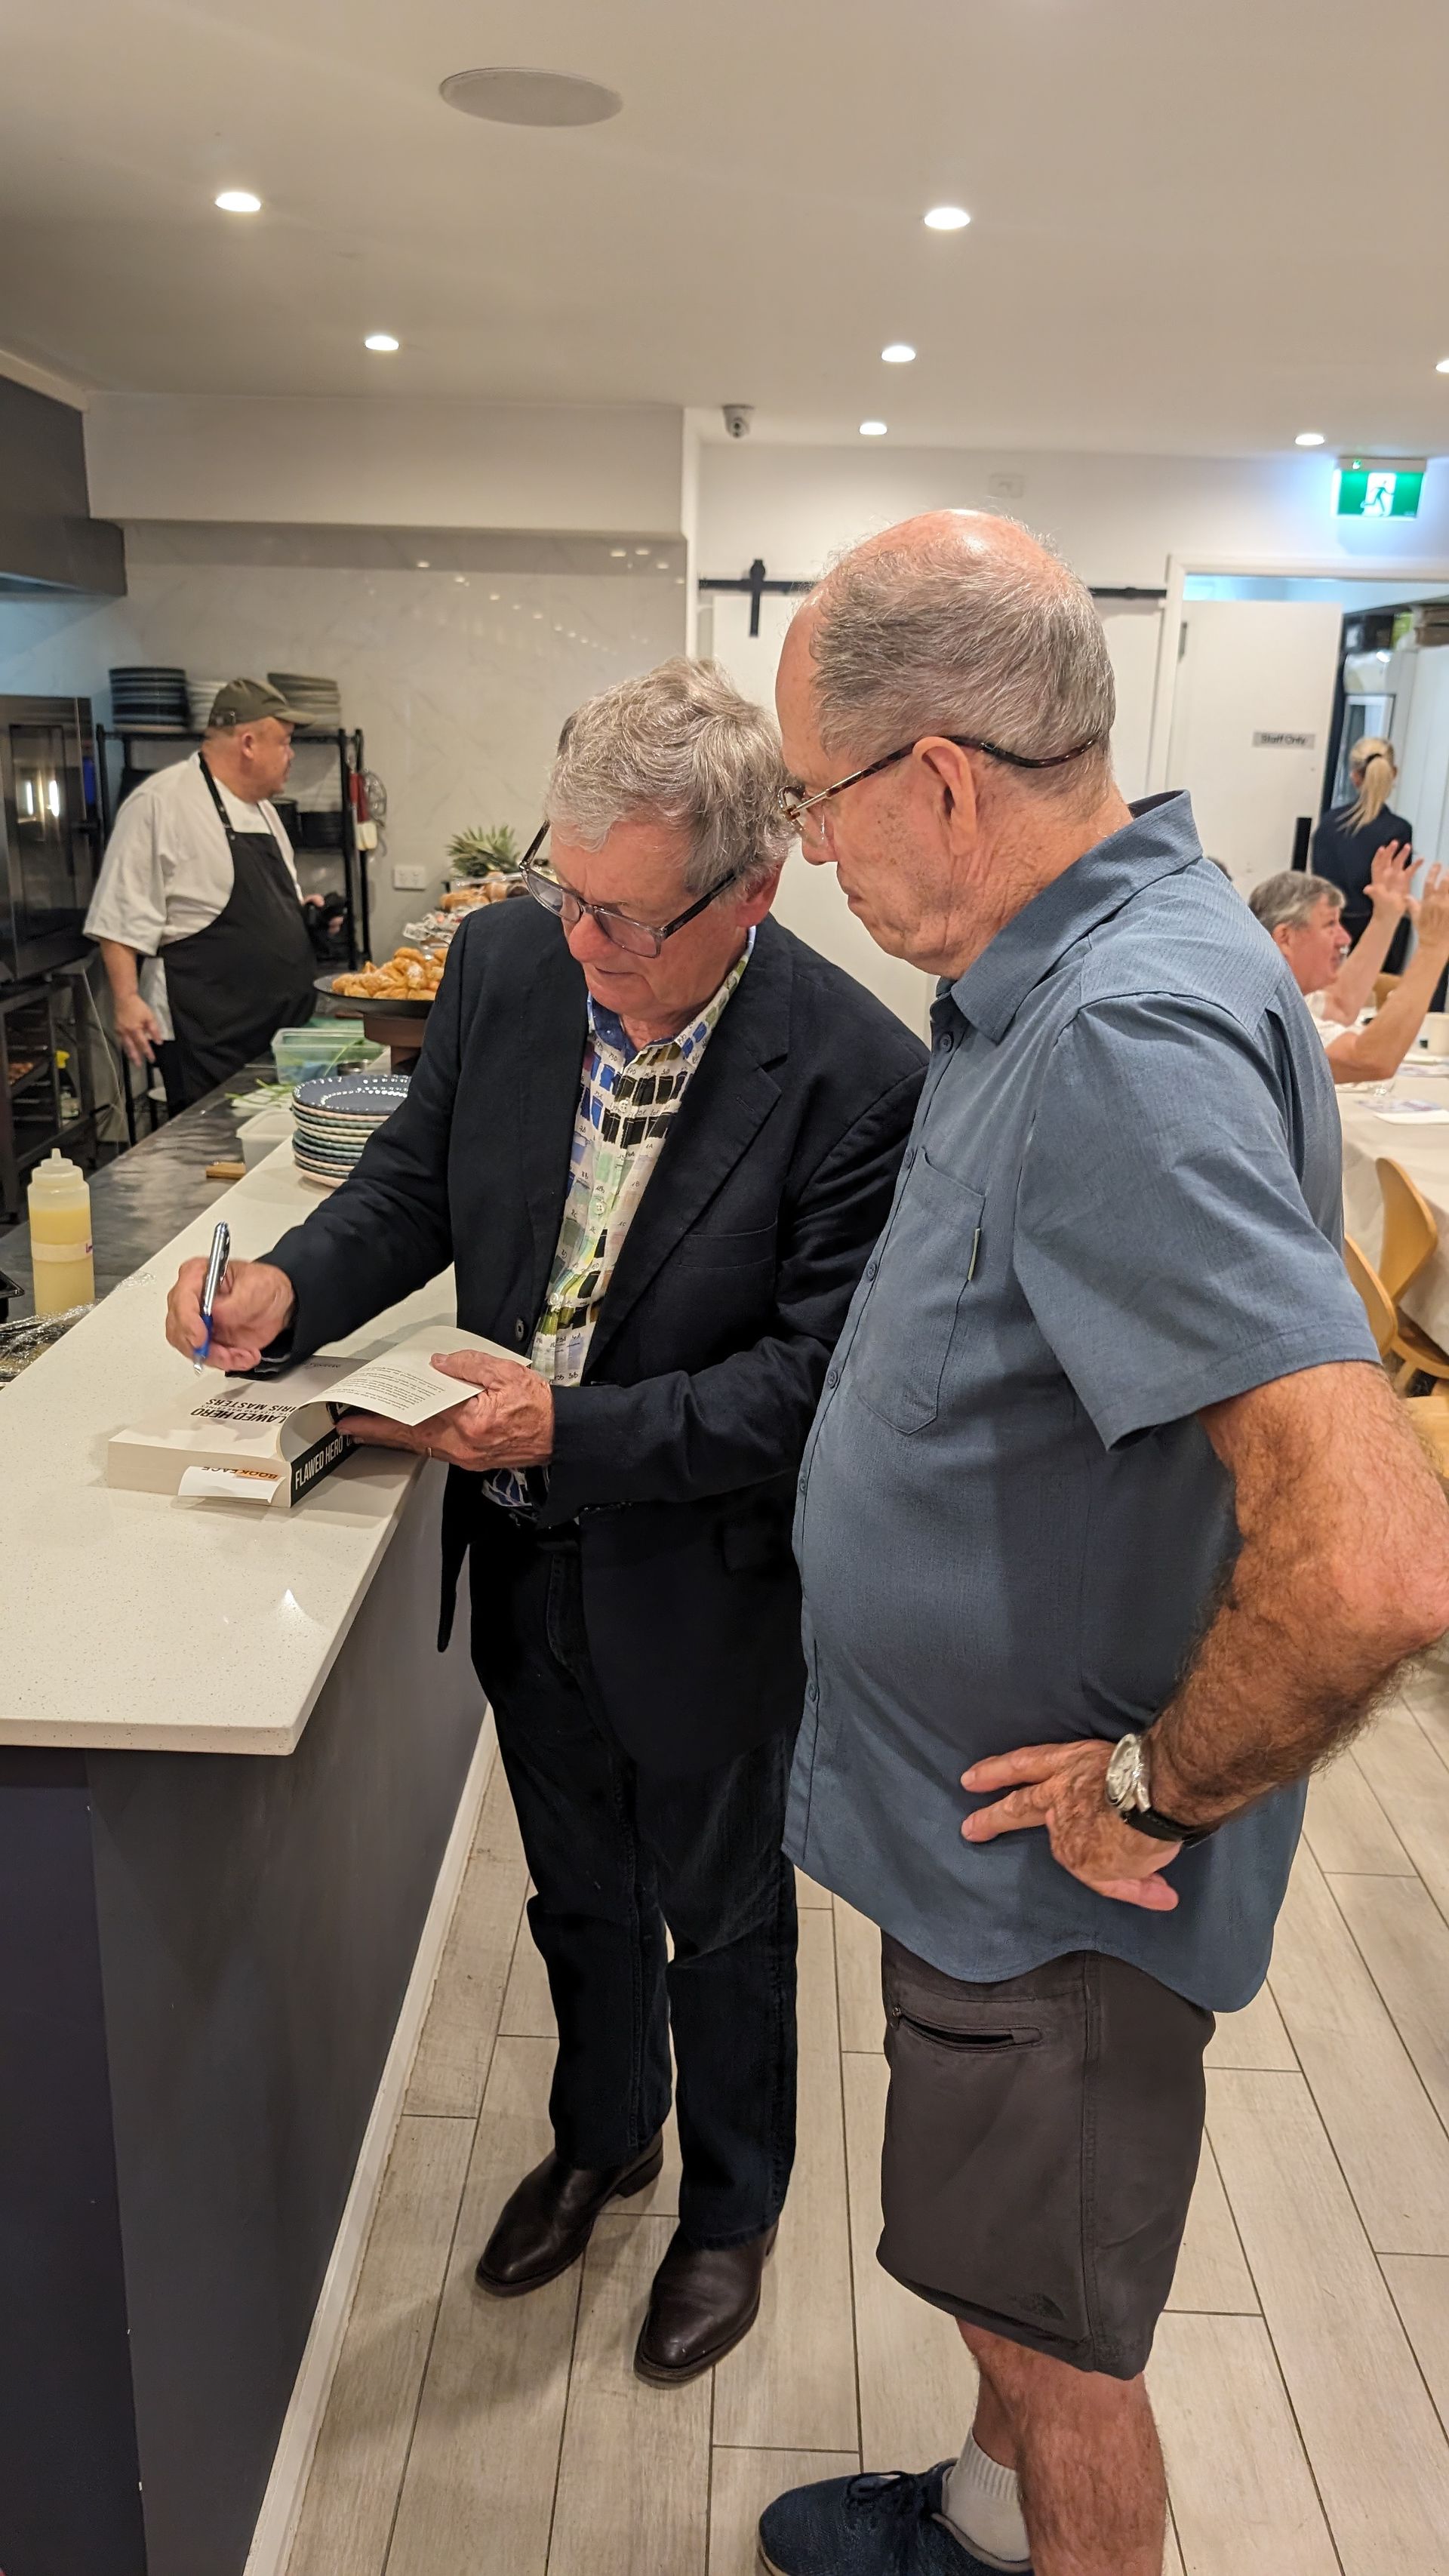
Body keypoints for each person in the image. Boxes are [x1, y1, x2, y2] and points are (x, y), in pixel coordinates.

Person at [757, 513, 1449, 2576]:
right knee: (1011, 2290)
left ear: (940, 777)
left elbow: (1375, 1566)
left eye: (815, 803)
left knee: (1064, 2357)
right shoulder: (1091, 951)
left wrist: (1147, 1779)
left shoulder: (1111, 1043)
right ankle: (978, 2523)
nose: (814, 855)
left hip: (1052, 1896)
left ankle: (1034, 2515)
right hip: (986, 1858)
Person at [163, 658, 924, 2384]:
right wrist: (287, 1283)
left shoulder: (854, 1074)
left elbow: (800, 1390)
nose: (584, 949)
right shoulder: (514, 962)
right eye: (564, 899)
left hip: (709, 1581)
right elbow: (417, 1183)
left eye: (627, 924)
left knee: (722, 1916)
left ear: (757, 884)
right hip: (517, 1551)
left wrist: (565, 1423)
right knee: (576, 1888)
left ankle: (731, 2206)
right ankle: (608, 2137)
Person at [86, 678, 320, 1108]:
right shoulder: (161, 803)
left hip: (277, 1026)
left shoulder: (264, 810)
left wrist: (305, 915)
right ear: (248, 743)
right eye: (285, 743)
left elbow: (262, 908)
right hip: (209, 1030)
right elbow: (119, 913)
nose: (290, 756)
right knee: (211, 1155)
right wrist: (126, 999)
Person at [1249, 865, 1449, 1085]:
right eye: (1330, 925)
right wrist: (1433, 947)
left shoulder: (1272, 987)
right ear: (1286, 938)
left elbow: (1340, 1006)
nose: (1344, 939)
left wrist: (1386, 917)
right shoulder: (1264, 1006)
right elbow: (1370, 1060)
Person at [1310, 736, 1414, 949]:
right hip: (1374, 936)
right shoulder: (1399, 830)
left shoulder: (1330, 821)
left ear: (1354, 777)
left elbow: (1318, 881)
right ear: (1393, 774)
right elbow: (1392, 893)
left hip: (1325, 929)